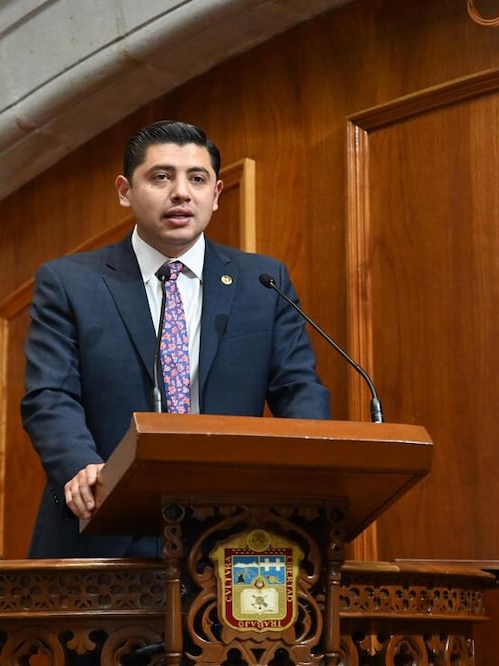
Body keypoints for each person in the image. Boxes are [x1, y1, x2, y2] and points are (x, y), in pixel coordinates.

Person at [21, 120, 330, 558]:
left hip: (234, 534)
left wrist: (309, 466)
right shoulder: (71, 283)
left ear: (217, 195)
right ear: (125, 190)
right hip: (102, 528)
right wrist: (80, 466)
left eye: (197, 179)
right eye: (161, 177)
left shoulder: (263, 282)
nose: (181, 193)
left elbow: (299, 388)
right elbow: (49, 395)